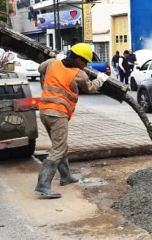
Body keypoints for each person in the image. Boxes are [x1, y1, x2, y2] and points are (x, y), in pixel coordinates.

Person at [35, 43, 107, 199]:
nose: (86, 65)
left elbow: (41, 68)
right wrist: (100, 79)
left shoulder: (52, 63)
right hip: (58, 114)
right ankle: (43, 184)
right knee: (58, 149)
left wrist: (55, 59)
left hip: (44, 111)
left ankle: (66, 177)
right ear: (79, 59)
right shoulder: (78, 73)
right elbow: (90, 88)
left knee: (60, 146)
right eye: (85, 62)